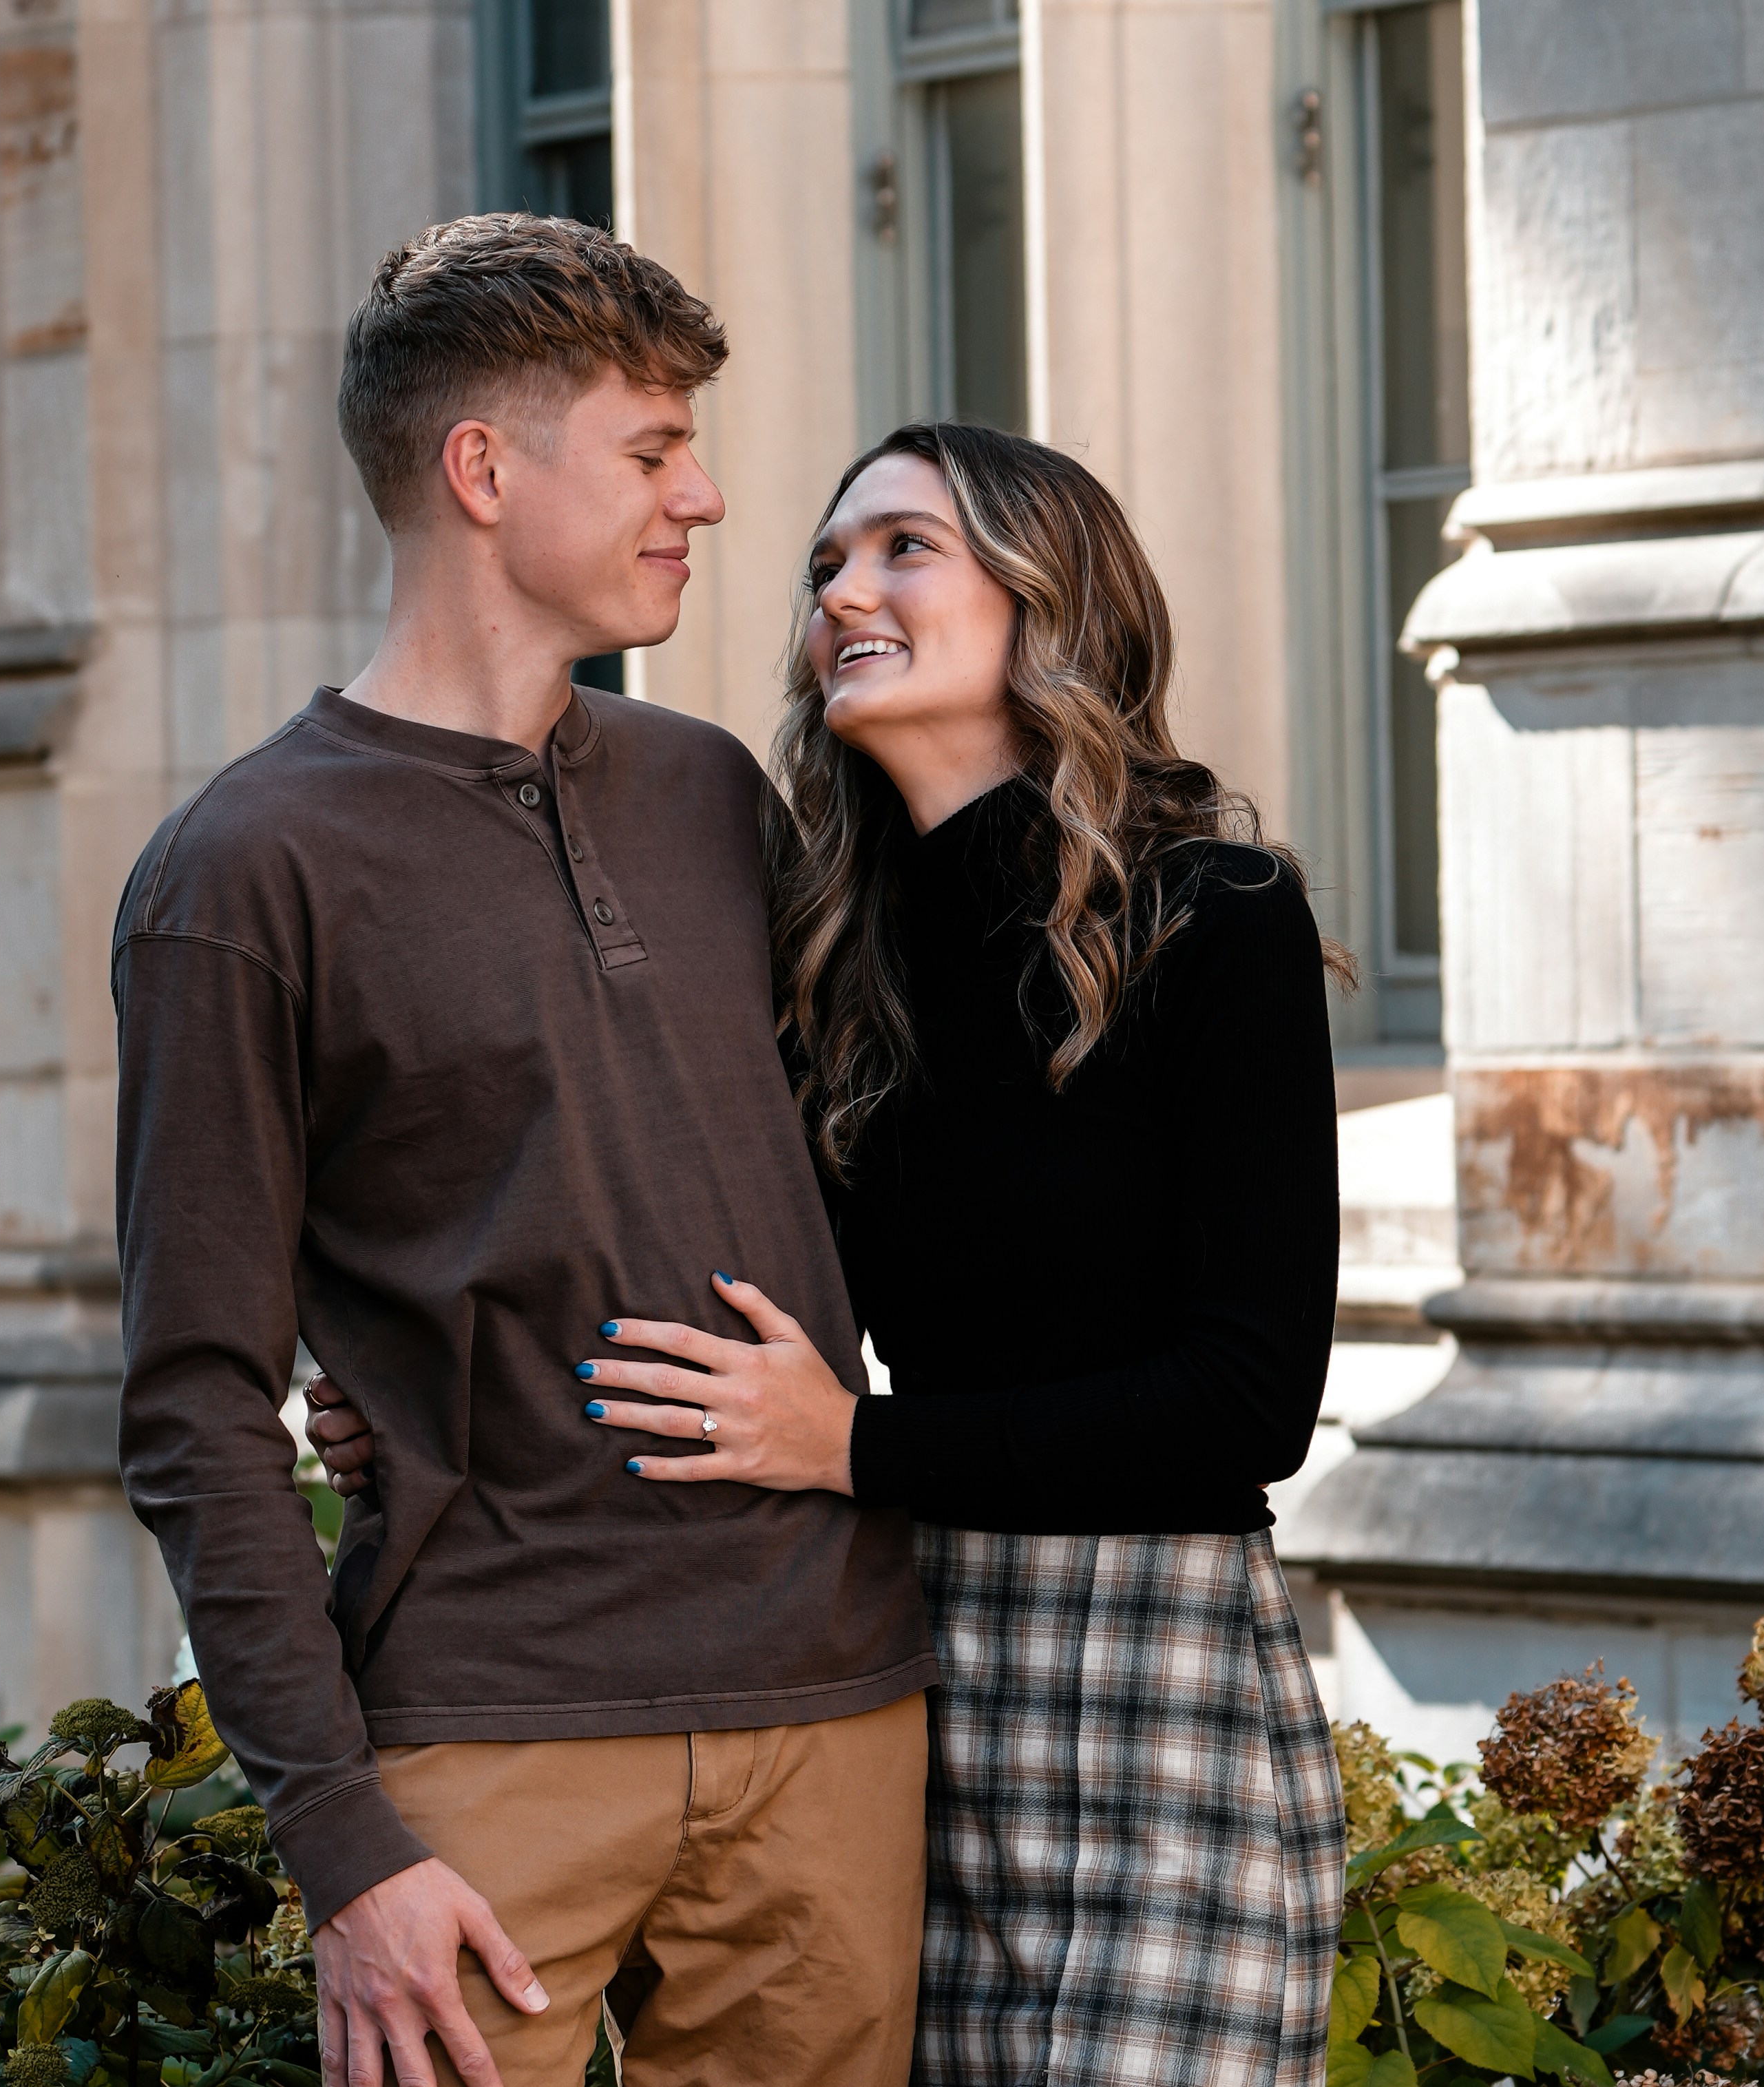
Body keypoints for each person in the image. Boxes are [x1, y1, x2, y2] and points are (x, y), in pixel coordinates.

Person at [311, 421, 1350, 2086]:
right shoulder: (818, 954)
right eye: (823, 568)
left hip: (1146, 1670)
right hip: (878, 1671)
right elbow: (654, 1243)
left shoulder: (1214, 916)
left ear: (1046, 592)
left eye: (902, 549)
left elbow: (1247, 1405)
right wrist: (408, 1381)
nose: (841, 593)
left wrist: (851, 1440)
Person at [112, 216, 938, 2087]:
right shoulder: (246, 873)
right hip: (487, 1739)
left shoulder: (713, 789)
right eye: (652, 450)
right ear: (484, 469)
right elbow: (191, 1405)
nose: (708, 498)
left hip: (831, 1706)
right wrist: (345, 1851)